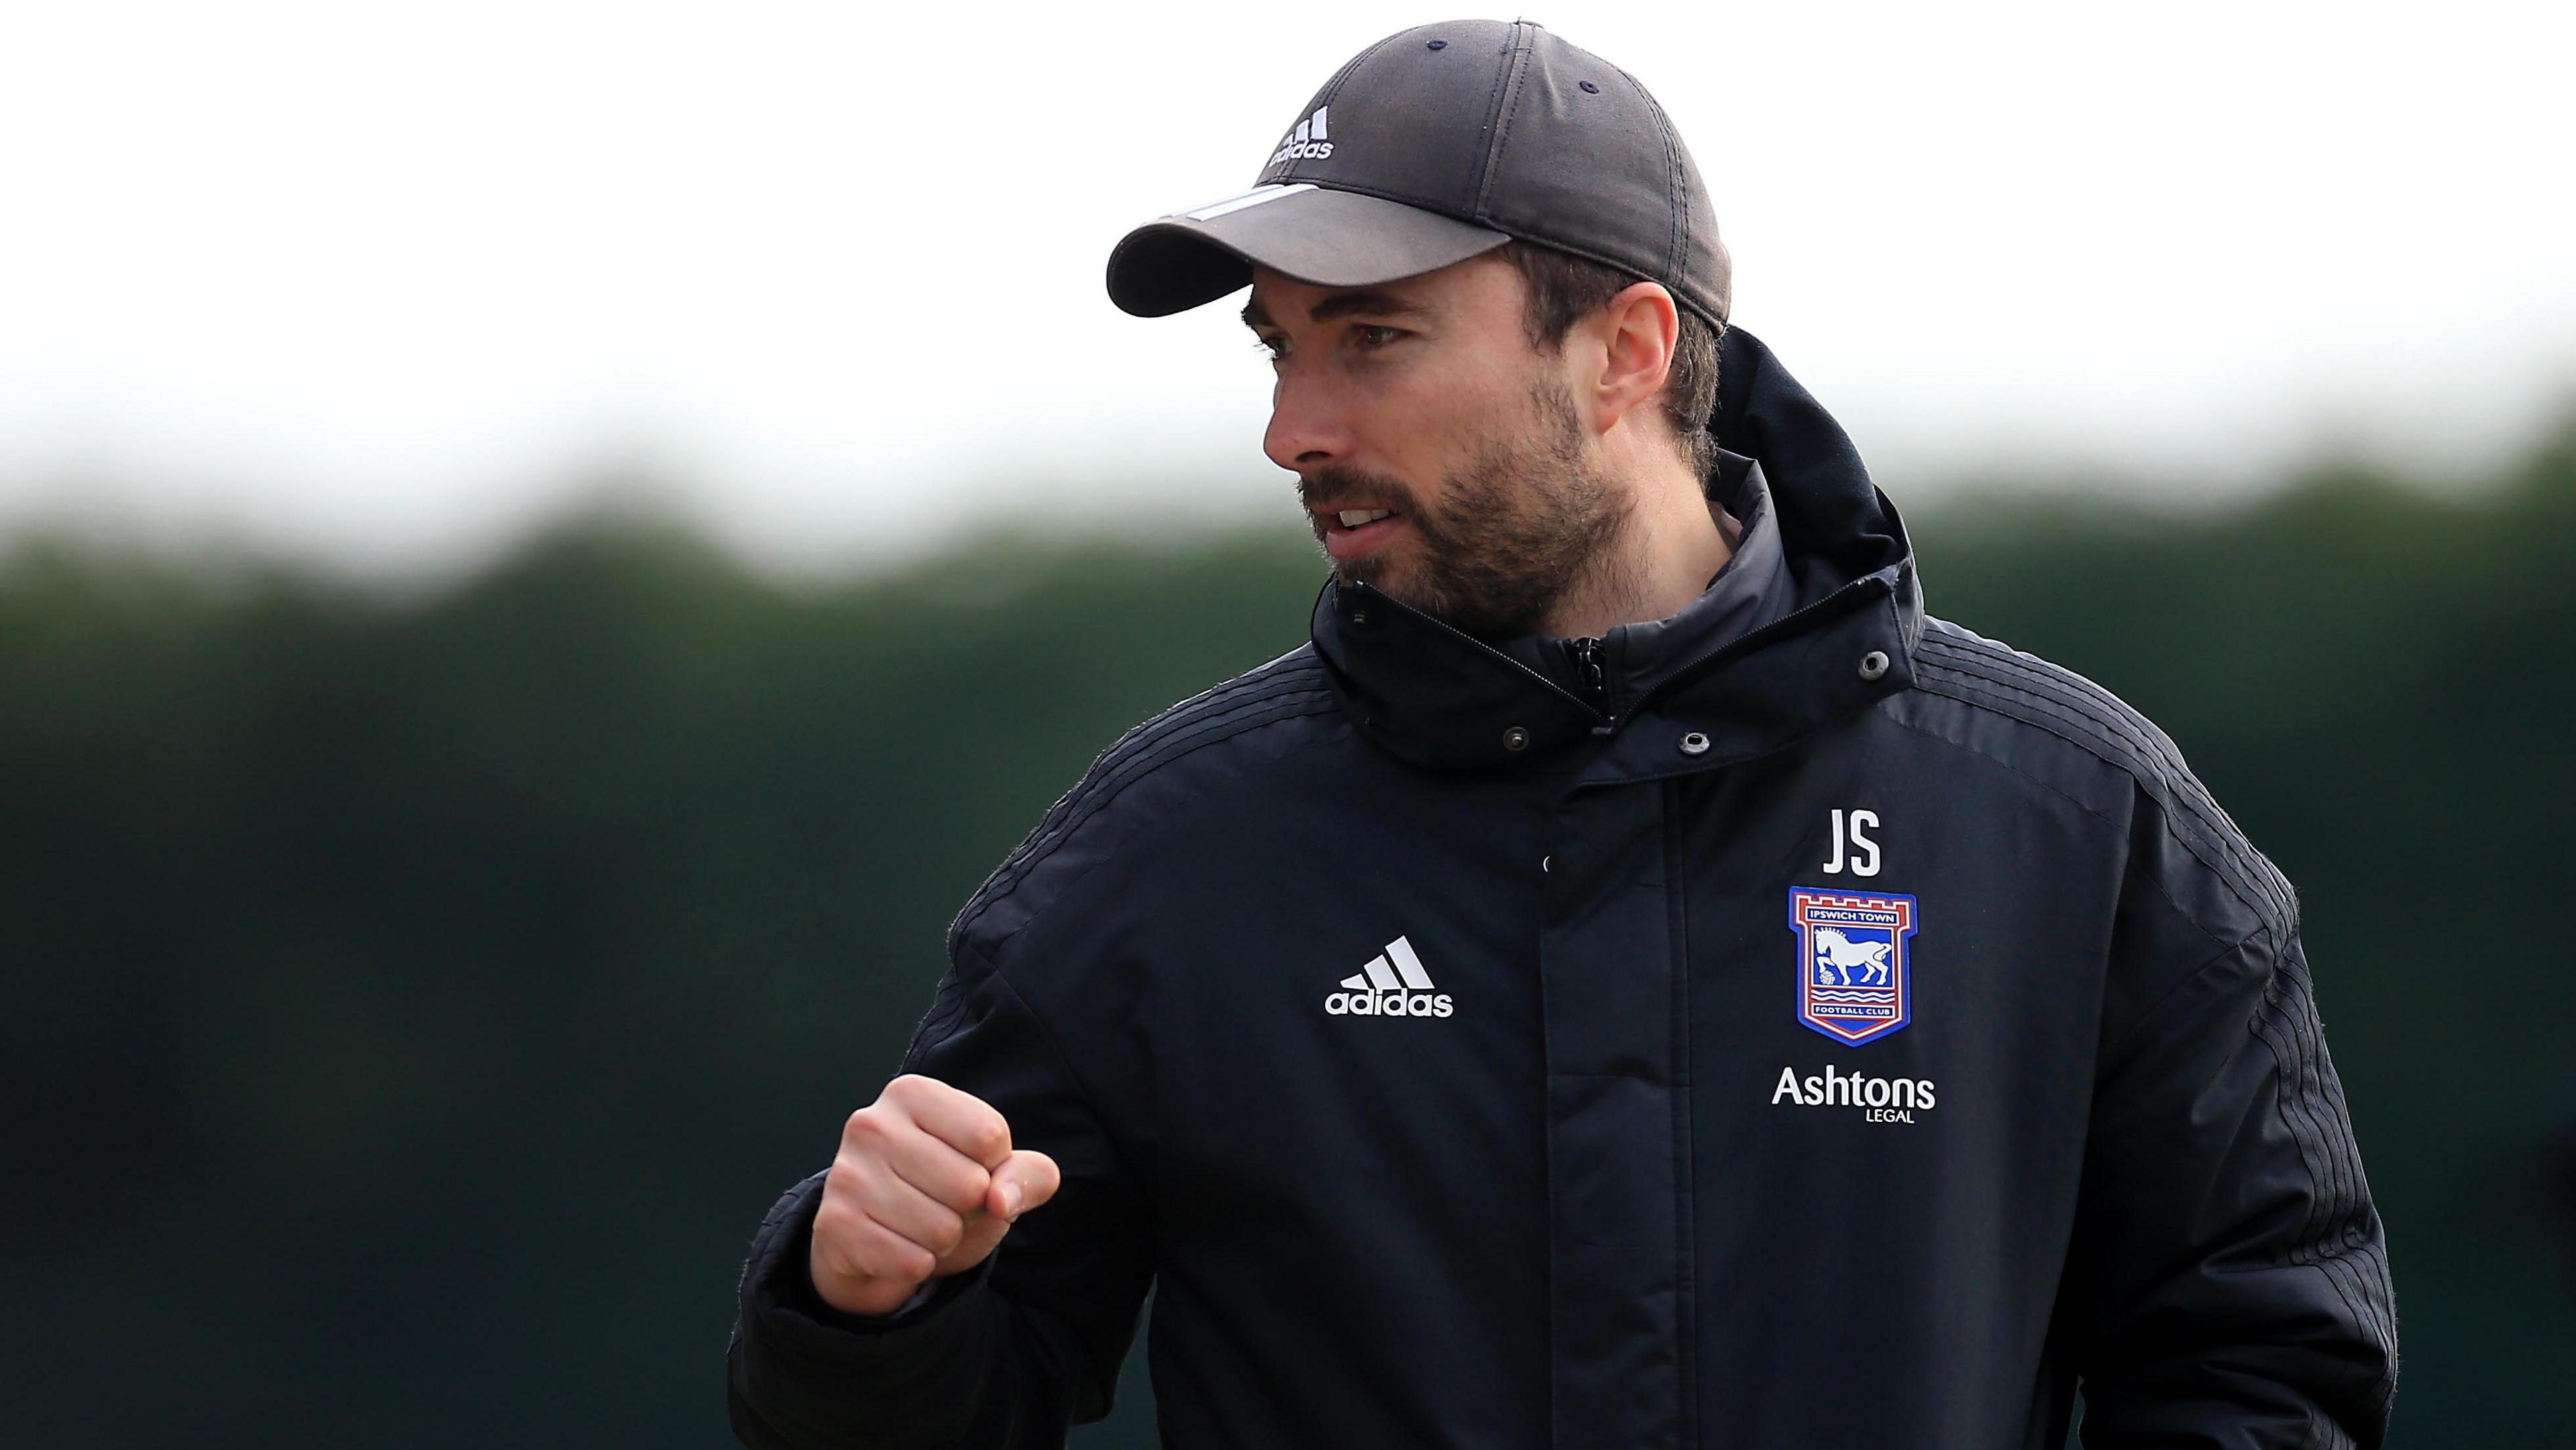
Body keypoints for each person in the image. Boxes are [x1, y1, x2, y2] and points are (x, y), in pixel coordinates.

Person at [726, 19, 2397, 1449]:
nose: (1291, 430)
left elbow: (2267, 1355)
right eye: (1280, 349)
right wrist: (861, 1300)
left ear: (1626, 351)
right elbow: (945, 1405)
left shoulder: (2083, 826)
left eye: (1374, 337)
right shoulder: (1161, 855)